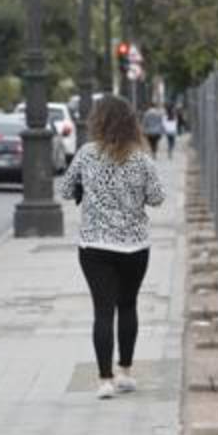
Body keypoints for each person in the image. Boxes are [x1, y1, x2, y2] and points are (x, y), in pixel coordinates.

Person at [60, 95, 165, 399]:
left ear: (98, 122)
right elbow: (157, 198)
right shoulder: (142, 158)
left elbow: (66, 190)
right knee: (128, 305)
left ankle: (104, 381)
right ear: (131, 123)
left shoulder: (86, 154)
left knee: (102, 311)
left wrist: (86, 189)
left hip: (94, 246)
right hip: (134, 246)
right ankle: (126, 373)